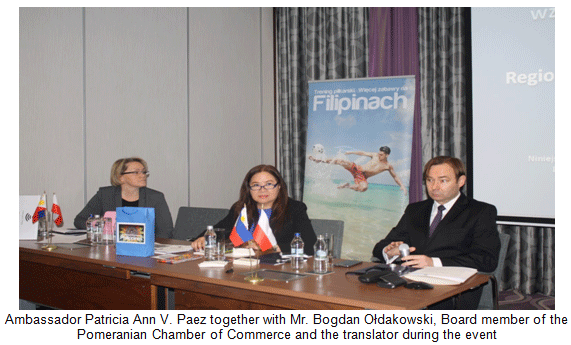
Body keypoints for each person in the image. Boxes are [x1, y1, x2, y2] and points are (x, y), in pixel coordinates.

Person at [372, 156, 500, 309]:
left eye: (443, 181)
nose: (434, 187)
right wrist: (390, 251)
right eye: (430, 180)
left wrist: (434, 263)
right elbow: (380, 247)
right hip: (408, 285)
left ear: (461, 181)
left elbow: (486, 259)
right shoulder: (415, 210)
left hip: (451, 292)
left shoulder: (480, 212)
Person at [191, 164, 317, 255]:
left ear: (279, 187)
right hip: (241, 267)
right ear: (249, 189)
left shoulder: (295, 209)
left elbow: (309, 245)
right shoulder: (241, 208)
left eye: (268, 184)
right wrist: (204, 238)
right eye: (256, 185)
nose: (262, 190)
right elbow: (219, 230)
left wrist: (269, 248)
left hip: (277, 269)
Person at [74, 157, 174, 239]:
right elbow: (80, 220)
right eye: (136, 172)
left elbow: (166, 231)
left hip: (145, 248)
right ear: (120, 177)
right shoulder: (105, 194)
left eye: (144, 172)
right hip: (110, 248)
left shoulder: (155, 197)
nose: (142, 176)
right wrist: (103, 228)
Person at [309, 146, 407, 194]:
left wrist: (402, 185)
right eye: (379, 153)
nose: (379, 155)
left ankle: (347, 186)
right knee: (340, 161)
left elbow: (395, 176)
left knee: (364, 188)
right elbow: (362, 153)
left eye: (381, 154)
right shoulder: (375, 155)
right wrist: (351, 152)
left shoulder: (388, 166)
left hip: (362, 177)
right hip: (357, 168)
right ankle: (318, 160)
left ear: (387, 155)